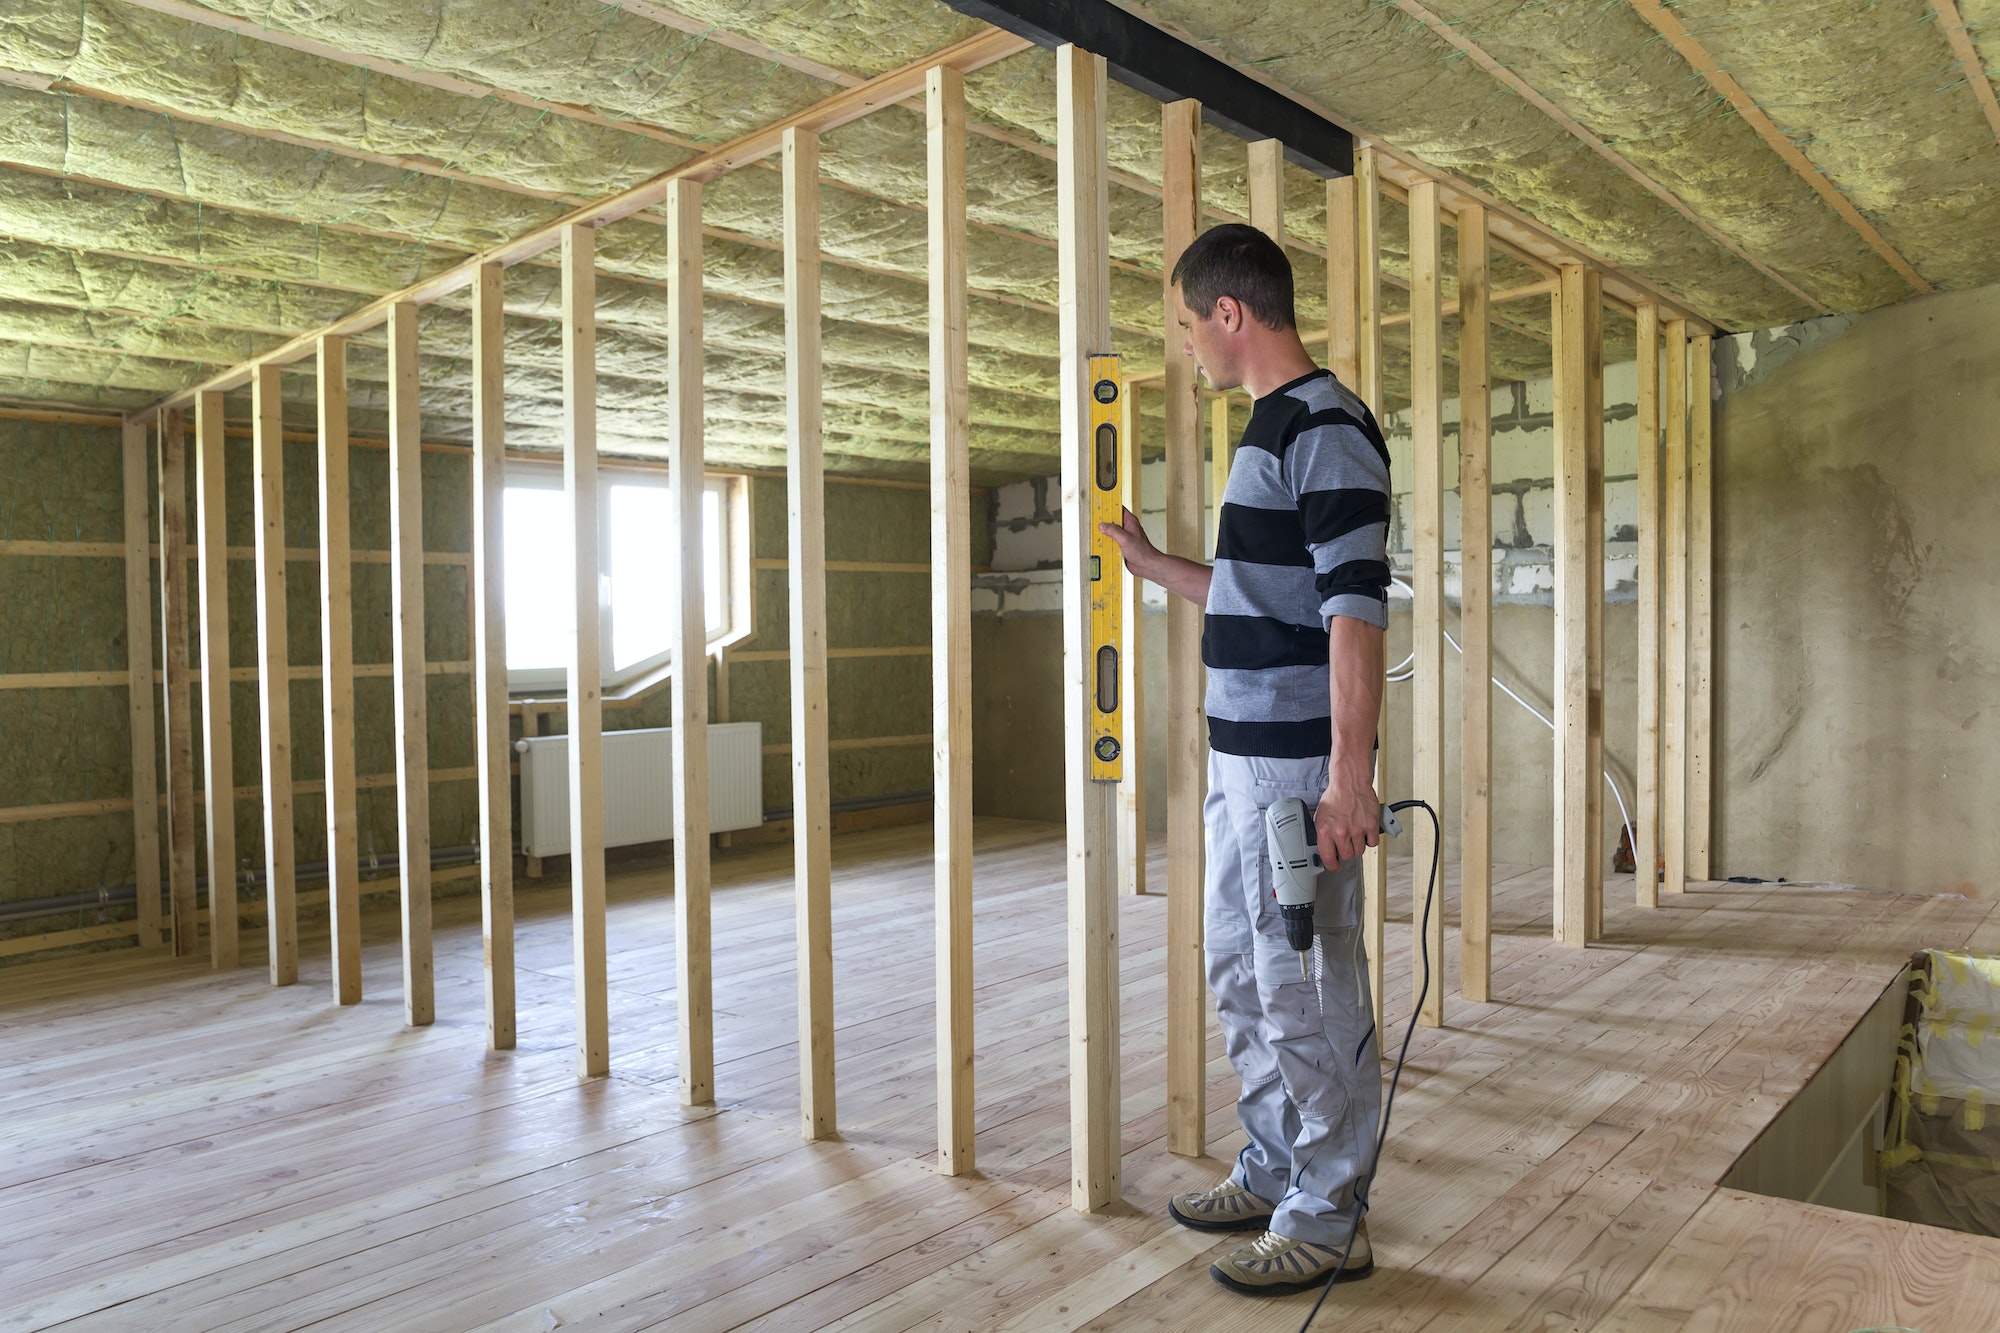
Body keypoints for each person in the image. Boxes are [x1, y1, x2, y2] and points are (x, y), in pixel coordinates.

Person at [1099, 222, 1391, 1298]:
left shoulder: (1323, 427)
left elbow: (1354, 613)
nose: (1186, 347)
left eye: (1186, 325)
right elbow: (1254, 593)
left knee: (1306, 986)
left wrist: (1345, 775)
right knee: (1240, 967)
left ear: (1230, 313)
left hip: (1294, 774)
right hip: (1238, 766)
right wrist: (1147, 564)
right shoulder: (1269, 430)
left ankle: (1329, 1213)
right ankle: (1274, 1168)